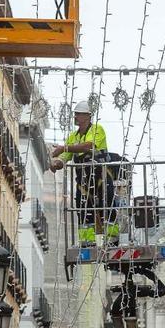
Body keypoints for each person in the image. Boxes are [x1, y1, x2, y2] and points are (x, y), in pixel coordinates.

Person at [50, 101, 119, 245]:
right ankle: (87, 240)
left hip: (101, 175)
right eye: (75, 114)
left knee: (106, 204)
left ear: (87, 116)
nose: (75, 117)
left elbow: (89, 146)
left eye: (78, 114)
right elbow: (65, 159)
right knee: (83, 208)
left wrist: (64, 148)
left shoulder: (97, 129)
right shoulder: (73, 137)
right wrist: (56, 163)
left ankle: (112, 239)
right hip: (83, 180)